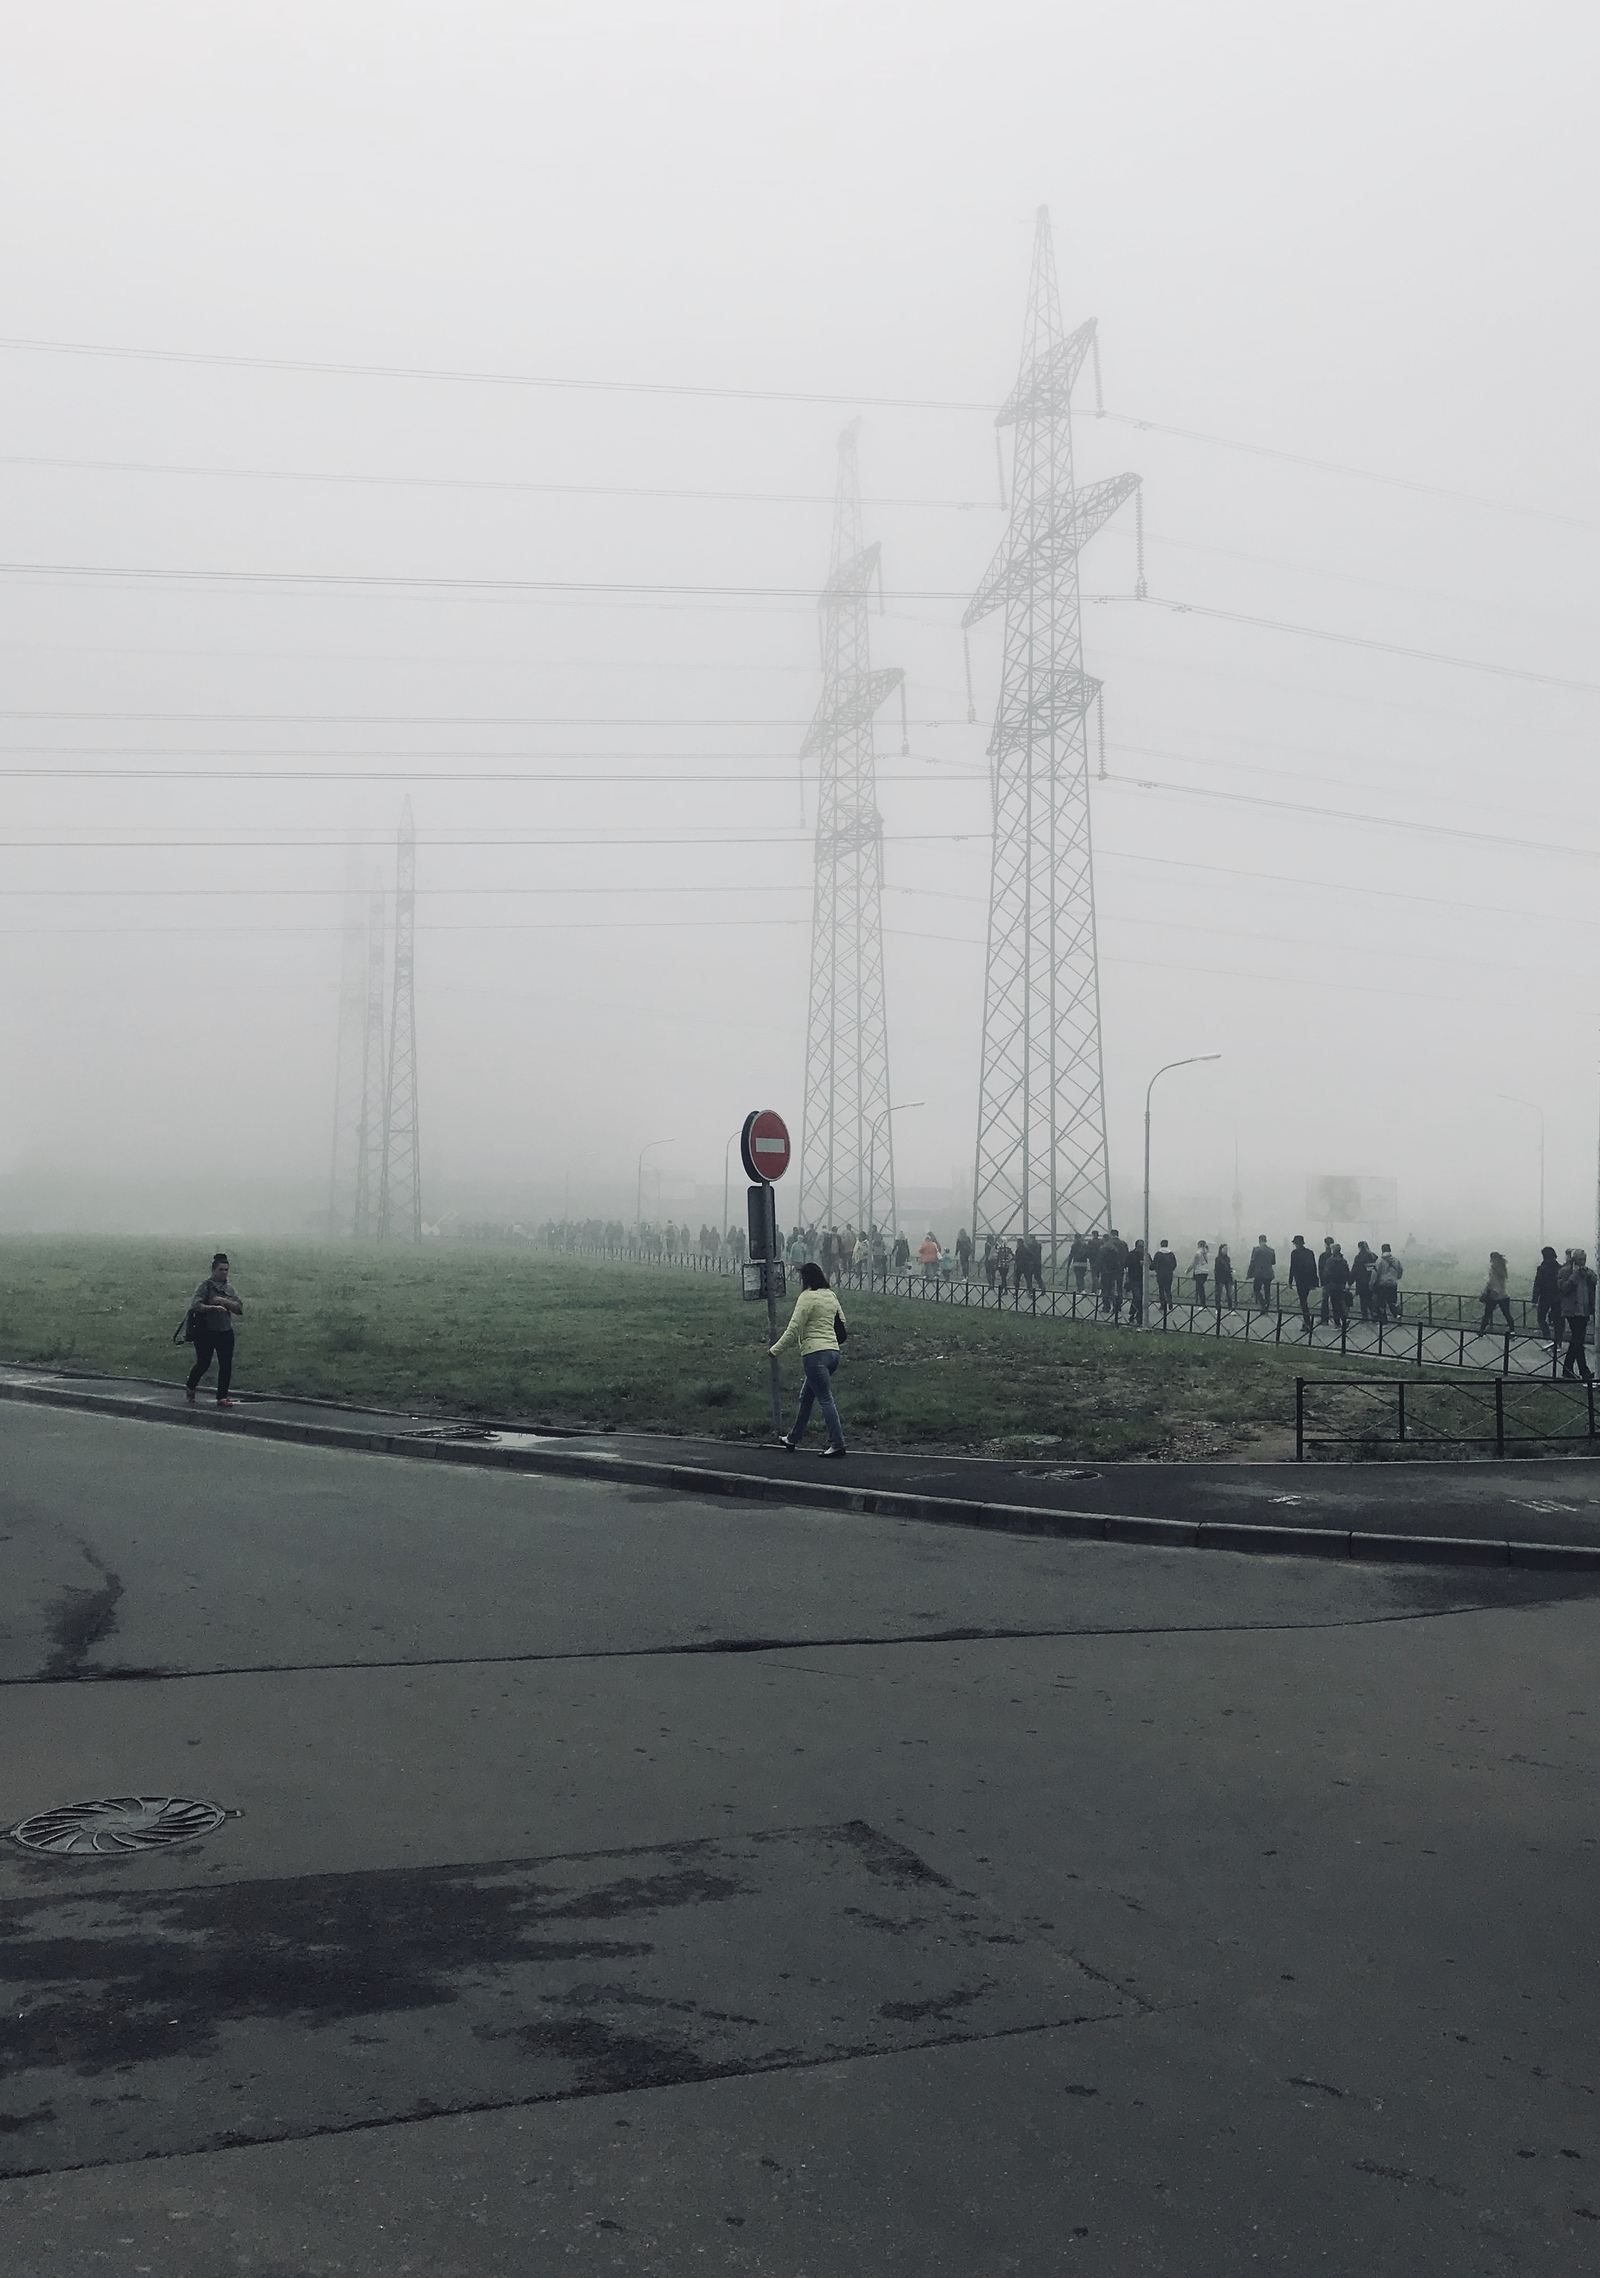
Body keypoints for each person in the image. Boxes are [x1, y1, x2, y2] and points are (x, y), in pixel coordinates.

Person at [772, 1262, 849, 1456]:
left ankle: (838, 1443)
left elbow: (793, 1328)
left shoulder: (806, 1297)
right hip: (833, 1353)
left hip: (814, 1354)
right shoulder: (830, 1295)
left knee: (824, 1398)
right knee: (806, 1397)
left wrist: (775, 1350)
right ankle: (792, 1438)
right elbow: (842, 1321)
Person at [184, 1251, 244, 1407]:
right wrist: (212, 1308)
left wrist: (225, 1302)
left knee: (226, 1364)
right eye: (220, 1269)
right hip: (206, 1332)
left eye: (226, 1270)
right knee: (203, 1363)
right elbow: (196, 1305)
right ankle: (191, 1385)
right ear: (213, 1270)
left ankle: (222, 1397)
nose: (223, 1273)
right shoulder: (205, 1286)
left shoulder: (230, 1289)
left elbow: (239, 1309)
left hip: (225, 1331)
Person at [1558, 1249, 1596, 1380]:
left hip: (1584, 1310)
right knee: (1578, 1340)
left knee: (1577, 1341)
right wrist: (1573, 1277)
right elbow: (1563, 1289)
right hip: (1572, 1311)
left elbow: (1595, 1283)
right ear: (1574, 1259)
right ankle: (1583, 1371)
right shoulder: (1565, 1271)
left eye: (1584, 1259)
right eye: (1580, 1259)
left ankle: (1568, 1369)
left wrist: (1590, 1275)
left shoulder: (1586, 1272)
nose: (1583, 1262)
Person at [1286, 1235, 1319, 1334]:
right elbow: (1314, 1267)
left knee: (1303, 1302)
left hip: (1300, 1280)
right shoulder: (1310, 1253)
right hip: (1308, 1280)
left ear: (1296, 1244)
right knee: (1304, 1301)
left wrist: (1290, 1281)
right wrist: (1315, 1281)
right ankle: (1307, 1321)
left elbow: (1293, 1267)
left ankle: (1307, 1322)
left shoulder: (1294, 1253)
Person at [1478, 1252, 1514, 1337]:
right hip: (1501, 1295)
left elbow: (1493, 1281)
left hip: (1496, 1295)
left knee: (1490, 1313)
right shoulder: (1499, 1268)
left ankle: (1481, 1331)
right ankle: (1512, 1331)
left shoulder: (1497, 1269)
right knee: (1503, 1314)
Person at [1532, 1245, 1562, 1342]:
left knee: (1541, 1318)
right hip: (1557, 1297)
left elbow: (1538, 1284)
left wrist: (1534, 1299)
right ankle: (1558, 1342)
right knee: (1558, 1320)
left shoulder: (1542, 1268)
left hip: (1545, 1296)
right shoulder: (1559, 1268)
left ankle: (1548, 1338)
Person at [1323, 1242, 1352, 1327]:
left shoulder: (1330, 1261)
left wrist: (1327, 1282)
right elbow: (1348, 1273)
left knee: (1335, 1304)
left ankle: (1337, 1323)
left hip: (1332, 1285)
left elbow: (1326, 1273)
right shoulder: (1343, 1261)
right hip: (1341, 1285)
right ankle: (1344, 1319)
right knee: (1341, 1303)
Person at [1373, 1243, 1404, 1321]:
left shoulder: (1379, 1261)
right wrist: (1396, 1277)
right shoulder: (1396, 1260)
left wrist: (1372, 1283)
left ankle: (1383, 1322)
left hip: (1382, 1284)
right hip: (1393, 1284)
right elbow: (1400, 1270)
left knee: (1381, 1303)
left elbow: (1376, 1273)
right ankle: (1397, 1315)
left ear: (1382, 1250)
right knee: (1393, 1301)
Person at [1247, 1236, 1276, 1314]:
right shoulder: (1271, 1250)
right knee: (1267, 1291)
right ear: (1266, 1241)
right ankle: (1266, 1308)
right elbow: (1273, 1262)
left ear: (1259, 1241)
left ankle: (1263, 1303)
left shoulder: (1256, 1250)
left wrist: (1249, 1273)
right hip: (1268, 1274)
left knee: (1256, 1290)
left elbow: (1252, 1262)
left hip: (1259, 1273)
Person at [1351, 1240, 1377, 1323]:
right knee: (1370, 1299)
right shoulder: (1373, 1256)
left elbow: (1355, 1270)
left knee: (1363, 1300)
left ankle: (1365, 1317)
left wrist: (1350, 1281)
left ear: (1359, 1247)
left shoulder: (1359, 1257)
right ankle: (1374, 1315)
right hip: (1372, 1281)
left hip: (1362, 1282)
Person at [1152, 1239, 1177, 1323]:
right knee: (1168, 1289)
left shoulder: (1158, 1254)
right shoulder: (1171, 1254)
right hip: (1169, 1274)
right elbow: (1174, 1264)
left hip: (1160, 1274)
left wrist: (1157, 1270)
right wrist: (1170, 1270)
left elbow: (1154, 1264)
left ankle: (1163, 1304)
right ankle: (1170, 1302)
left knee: (1161, 1289)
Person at [1316, 1236, 1338, 1323]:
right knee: (1335, 1301)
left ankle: (1324, 1319)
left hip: (1326, 1282)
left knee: (1325, 1300)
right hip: (1336, 1282)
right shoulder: (1337, 1256)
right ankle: (1338, 1320)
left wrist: (1322, 1281)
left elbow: (1320, 1269)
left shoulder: (1323, 1256)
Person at [1126, 1238, 1146, 1326]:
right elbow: (1126, 1264)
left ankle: (1133, 1314)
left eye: (1143, 1247)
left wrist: (1148, 1263)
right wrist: (1138, 1263)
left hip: (1144, 1281)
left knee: (1140, 1299)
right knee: (1137, 1298)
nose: (1141, 1248)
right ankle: (1139, 1317)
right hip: (1133, 1279)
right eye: (1140, 1247)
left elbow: (1152, 1266)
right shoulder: (1131, 1254)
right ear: (1136, 1246)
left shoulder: (1146, 1255)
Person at [1214, 1243, 1235, 1309]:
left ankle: (1230, 1307)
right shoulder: (1218, 1259)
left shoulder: (1228, 1258)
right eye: (1224, 1249)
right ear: (1221, 1249)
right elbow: (1217, 1269)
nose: (1226, 1250)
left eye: (1227, 1249)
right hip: (1220, 1277)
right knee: (1218, 1293)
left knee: (1229, 1293)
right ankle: (1217, 1306)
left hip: (1227, 1277)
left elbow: (1228, 1267)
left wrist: (1231, 1271)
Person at [1189, 1240, 1210, 1306]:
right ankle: (1200, 1302)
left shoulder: (1197, 1253)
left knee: (1199, 1288)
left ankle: (1202, 1303)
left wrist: (1188, 1270)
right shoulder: (1206, 1253)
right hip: (1205, 1272)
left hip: (1199, 1272)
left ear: (1199, 1245)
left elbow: (1193, 1263)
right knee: (1200, 1287)